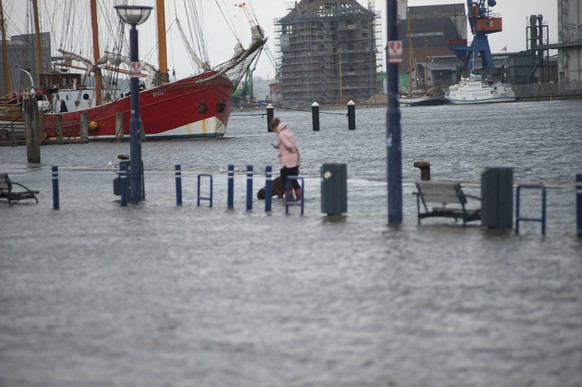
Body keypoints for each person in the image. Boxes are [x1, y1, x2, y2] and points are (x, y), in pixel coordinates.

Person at [270, 117, 301, 200]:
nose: (274, 131)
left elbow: (289, 145)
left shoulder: (281, 134)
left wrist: (293, 150)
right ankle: (300, 198)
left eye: (273, 129)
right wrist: (277, 147)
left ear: (275, 127)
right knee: (294, 180)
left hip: (286, 162)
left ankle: (289, 198)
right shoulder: (288, 131)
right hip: (295, 160)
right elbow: (288, 143)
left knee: (285, 180)